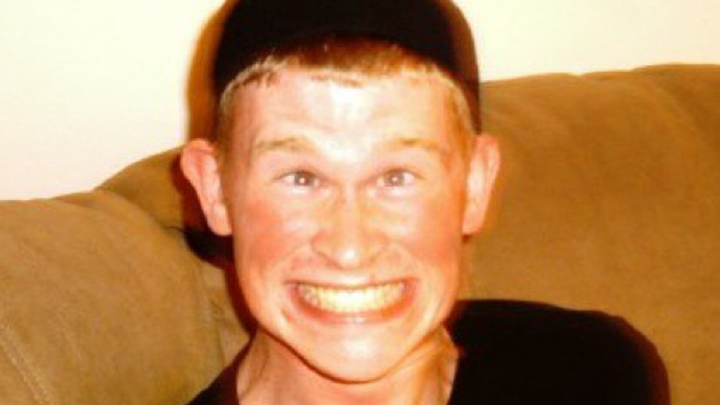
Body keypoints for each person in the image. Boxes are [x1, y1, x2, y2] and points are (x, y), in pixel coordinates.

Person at [180, 0, 664, 404]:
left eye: (396, 177)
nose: (350, 249)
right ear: (215, 191)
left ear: (475, 184)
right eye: (301, 178)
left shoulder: (594, 373)